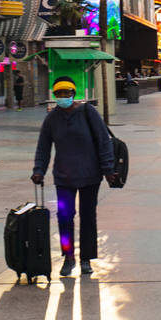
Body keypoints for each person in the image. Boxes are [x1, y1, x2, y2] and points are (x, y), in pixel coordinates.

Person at [31, 77, 117, 277]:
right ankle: (68, 257)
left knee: (88, 218)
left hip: (90, 176)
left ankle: (86, 259)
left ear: (73, 93)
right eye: (59, 94)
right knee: (64, 217)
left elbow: (104, 141)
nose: (63, 97)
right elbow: (43, 147)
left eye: (66, 93)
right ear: (54, 96)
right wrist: (38, 170)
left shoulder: (88, 112)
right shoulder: (51, 119)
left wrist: (108, 169)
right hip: (64, 178)